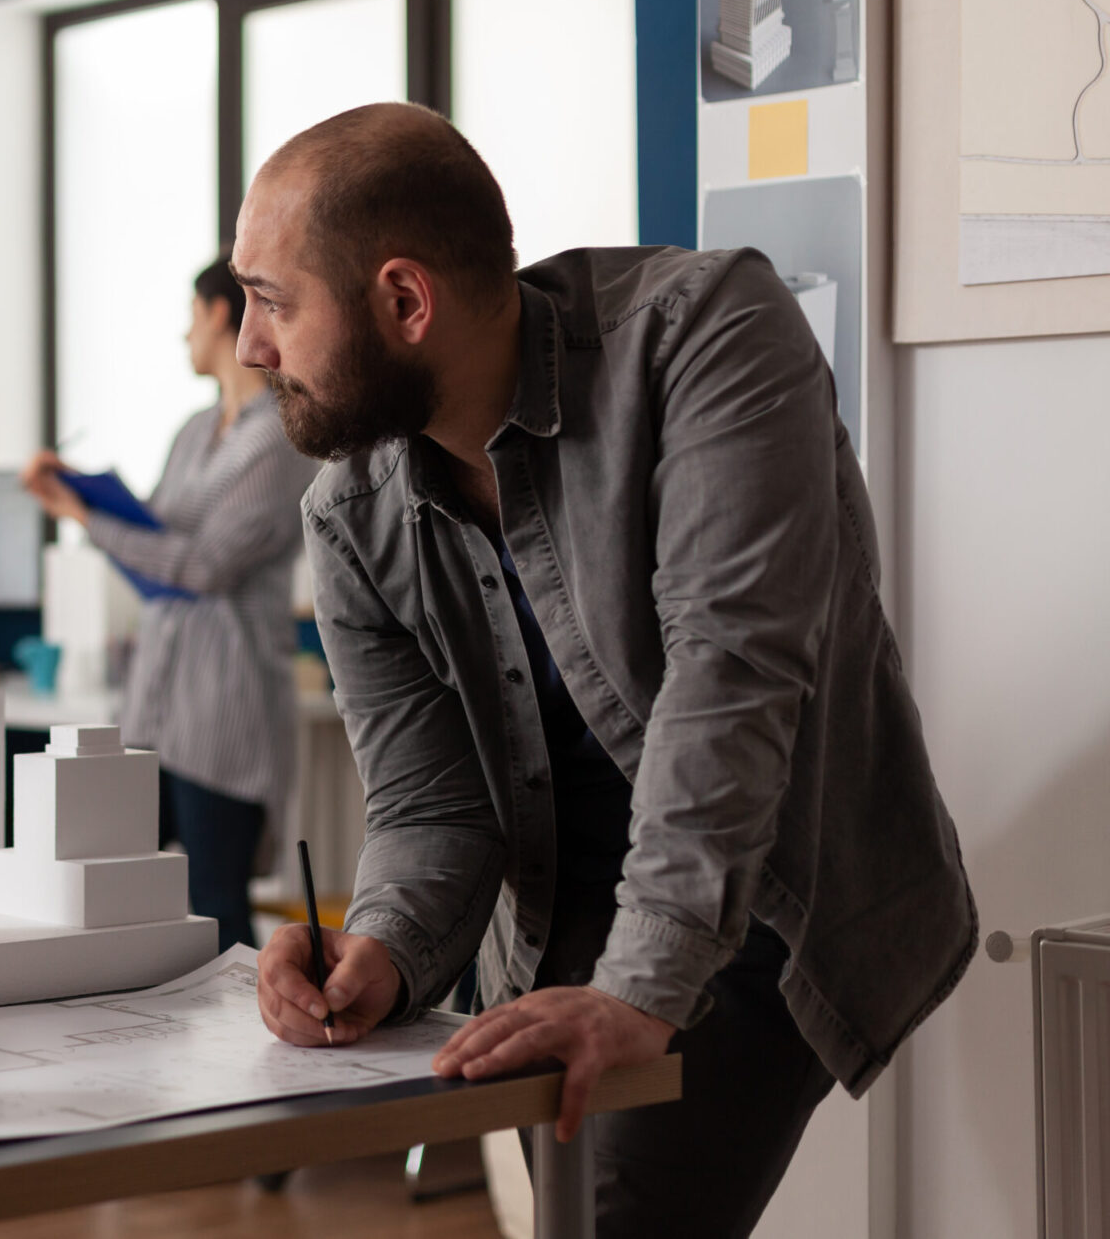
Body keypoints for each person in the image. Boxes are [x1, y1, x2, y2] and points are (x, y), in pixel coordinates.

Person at [237, 104, 975, 1235]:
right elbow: (433, 805)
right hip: (550, 923)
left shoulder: (705, 334)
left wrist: (637, 989)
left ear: (402, 301)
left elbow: (727, 682)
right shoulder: (349, 517)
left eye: (272, 301)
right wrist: (376, 949)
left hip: (754, 886)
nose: (249, 346)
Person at [21, 257, 318, 951]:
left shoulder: (281, 437)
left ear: (220, 313)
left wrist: (82, 517)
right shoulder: (195, 430)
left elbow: (204, 567)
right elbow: (156, 538)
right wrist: (83, 496)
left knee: (216, 906)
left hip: (224, 712)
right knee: (126, 896)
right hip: (155, 701)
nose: (184, 333)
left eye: (191, 315)